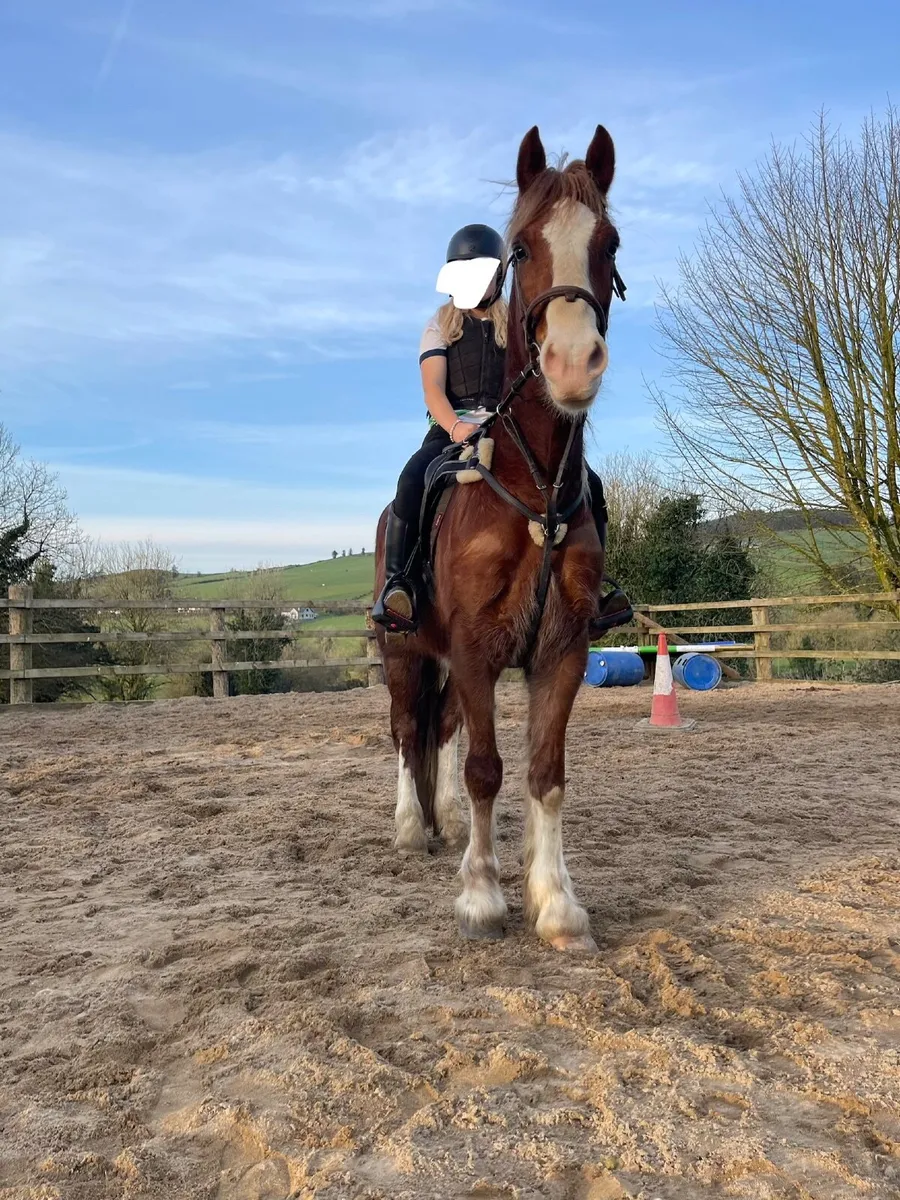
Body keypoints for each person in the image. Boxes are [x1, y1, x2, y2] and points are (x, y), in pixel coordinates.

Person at [372, 223, 632, 636]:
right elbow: (432, 391)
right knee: (410, 481)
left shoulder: (517, 324)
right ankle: (399, 584)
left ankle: (594, 590)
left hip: (508, 429)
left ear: (499, 274)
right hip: (452, 428)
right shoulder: (438, 326)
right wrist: (456, 427)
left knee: (589, 485)